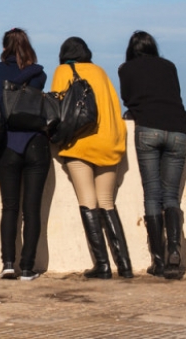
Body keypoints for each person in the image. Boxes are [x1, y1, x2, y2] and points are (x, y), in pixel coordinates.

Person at [51, 37, 132, 279]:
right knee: (107, 201)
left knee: (88, 201)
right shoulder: (101, 71)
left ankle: (103, 265)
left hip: (80, 144)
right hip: (110, 142)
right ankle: (125, 266)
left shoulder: (64, 70)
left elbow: (57, 108)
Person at [119, 31, 186, 280]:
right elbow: (175, 95)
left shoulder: (126, 69)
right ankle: (174, 253)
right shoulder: (169, 66)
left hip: (148, 128)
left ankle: (158, 261)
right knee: (171, 195)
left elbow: (128, 99)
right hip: (179, 129)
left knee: (152, 194)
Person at [0, 28, 50, 281]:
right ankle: (27, 268)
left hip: (8, 144)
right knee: (32, 209)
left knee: (9, 207)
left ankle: (8, 264)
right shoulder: (39, 73)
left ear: (5, 47)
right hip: (36, 143)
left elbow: (2, 102)